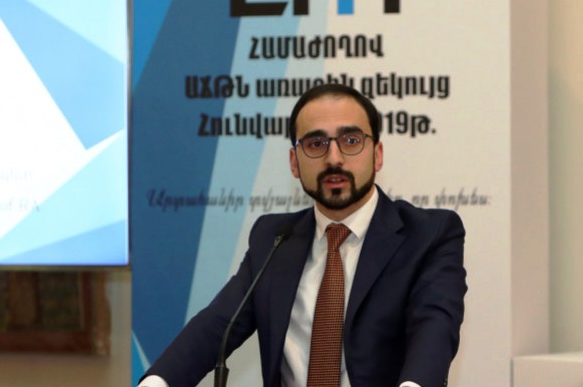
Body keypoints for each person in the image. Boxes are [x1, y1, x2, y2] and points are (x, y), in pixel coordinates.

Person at [139, 83, 467, 387]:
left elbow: (434, 329)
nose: (334, 159)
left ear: (377, 154)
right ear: (294, 162)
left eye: (351, 141)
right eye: (315, 144)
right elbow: (216, 326)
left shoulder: (429, 234)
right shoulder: (274, 239)